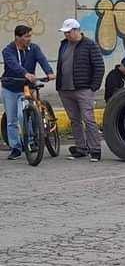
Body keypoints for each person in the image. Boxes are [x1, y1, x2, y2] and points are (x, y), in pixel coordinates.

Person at [2, 25, 55, 160]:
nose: (29, 39)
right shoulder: (8, 51)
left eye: (30, 36)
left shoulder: (34, 48)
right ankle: (15, 147)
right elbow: (13, 64)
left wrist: (49, 72)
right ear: (17, 37)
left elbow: (42, 60)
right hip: (10, 88)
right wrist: (25, 73)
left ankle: (30, 141)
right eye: (26, 36)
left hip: (27, 87)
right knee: (12, 120)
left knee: (24, 115)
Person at [56, 19, 105, 161]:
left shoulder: (89, 45)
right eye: (65, 33)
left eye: (68, 32)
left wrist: (93, 87)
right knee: (74, 120)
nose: (66, 35)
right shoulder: (63, 45)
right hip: (65, 89)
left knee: (88, 119)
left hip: (83, 89)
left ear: (77, 30)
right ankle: (81, 147)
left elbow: (99, 67)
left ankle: (95, 149)